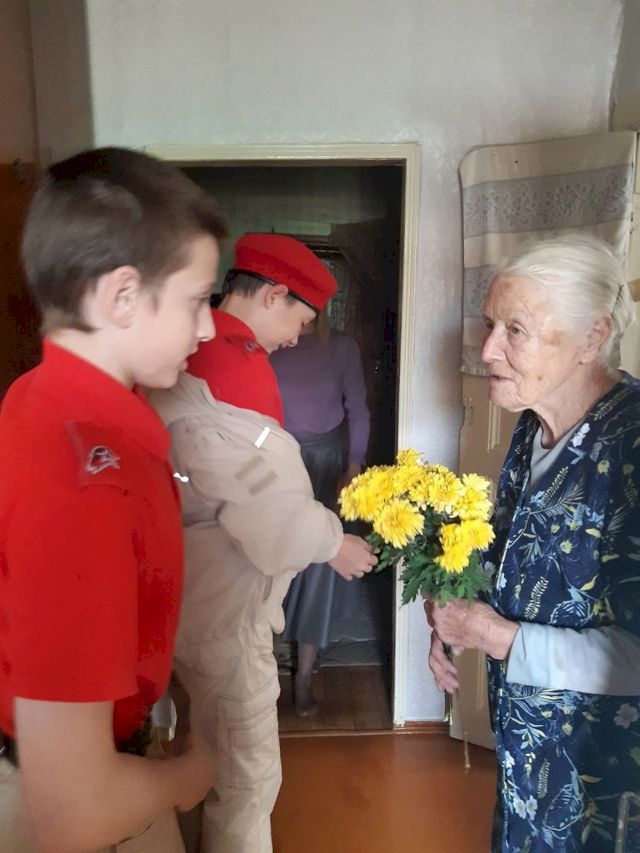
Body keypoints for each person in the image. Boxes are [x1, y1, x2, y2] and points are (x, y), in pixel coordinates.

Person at [0, 147, 227, 852]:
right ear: (122, 295)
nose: (208, 328)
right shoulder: (86, 475)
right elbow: (76, 813)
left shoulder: (39, 398)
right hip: (71, 788)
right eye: (196, 299)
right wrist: (186, 778)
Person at [150, 232, 377, 853]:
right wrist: (334, 541)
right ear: (273, 294)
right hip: (224, 604)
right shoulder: (234, 365)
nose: (299, 338)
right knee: (247, 778)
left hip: (188, 586)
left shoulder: (201, 351)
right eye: (300, 320)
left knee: (206, 751)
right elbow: (264, 510)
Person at [427, 234, 640, 852]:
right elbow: (514, 555)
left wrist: (493, 636)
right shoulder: (532, 429)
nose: (487, 349)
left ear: (591, 338)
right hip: (528, 762)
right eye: (490, 324)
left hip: (603, 784)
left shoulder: (631, 445)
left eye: (514, 330)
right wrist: (451, 611)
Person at [270, 311, 370, 716]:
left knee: (320, 568)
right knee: (272, 560)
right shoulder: (269, 345)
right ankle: (261, 667)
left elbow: (358, 408)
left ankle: (304, 676)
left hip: (328, 465)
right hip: (276, 461)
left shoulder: (342, 347)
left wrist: (354, 466)